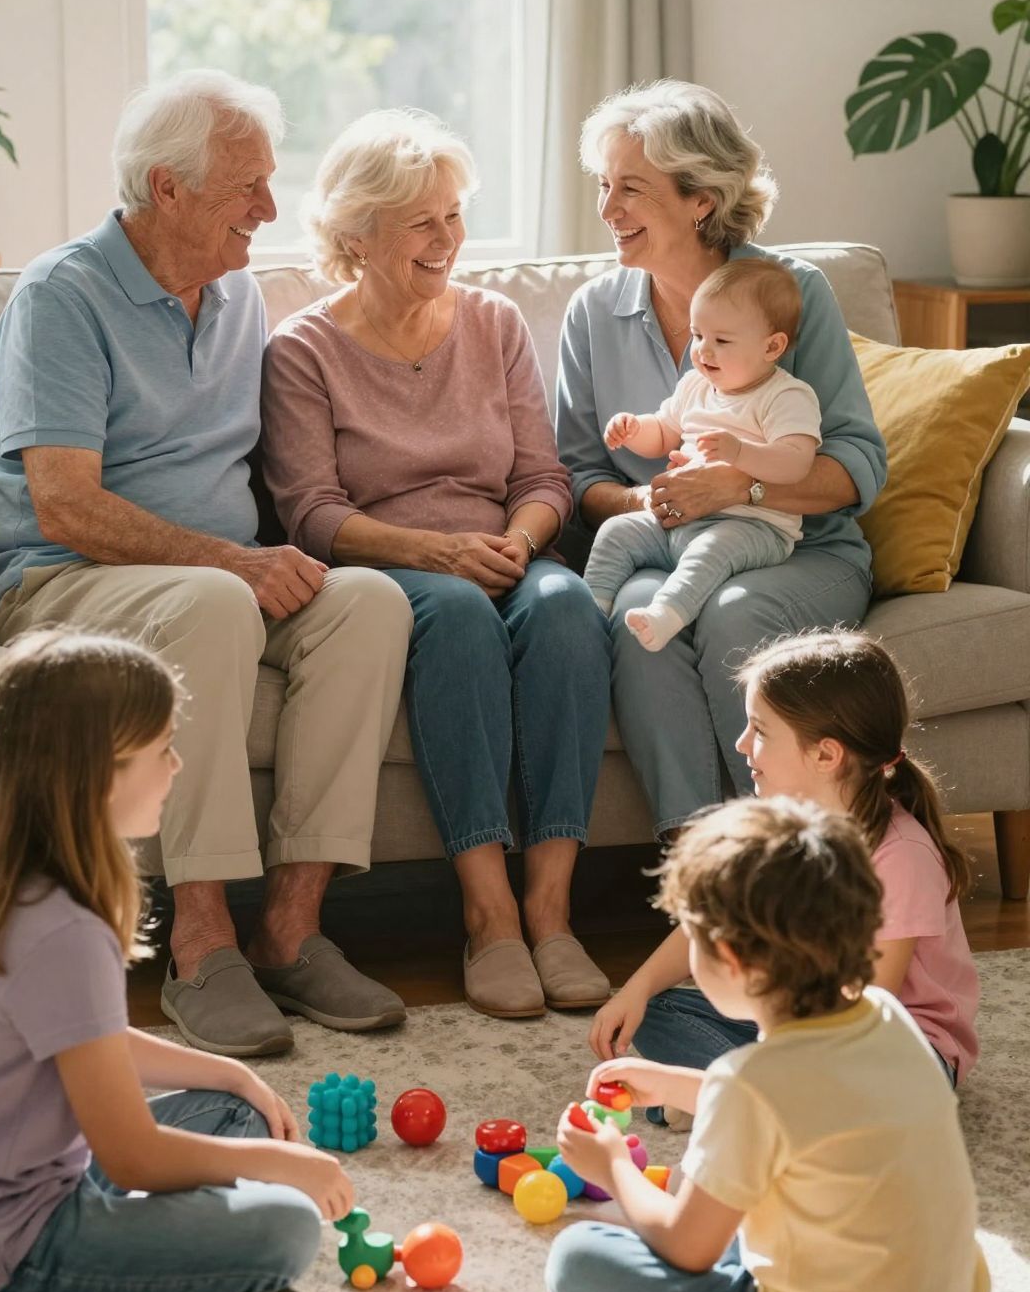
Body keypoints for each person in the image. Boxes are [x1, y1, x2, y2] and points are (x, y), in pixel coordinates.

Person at [0, 69, 414, 1057]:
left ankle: (292, 926)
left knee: (371, 602)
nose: (268, 207)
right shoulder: (64, 294)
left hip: (206, 578)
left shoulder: (238, 300)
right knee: (220, 601)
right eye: (246, 185)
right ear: (166, 187)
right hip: (57, 578)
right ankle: (200, 941)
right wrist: (234, 562)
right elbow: (64, 500)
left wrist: (280, 552)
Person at [0, 630, 352, 1292]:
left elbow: (79, 1038)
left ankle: (164, 1283)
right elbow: (132, 1157)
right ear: (97, 775)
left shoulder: (4, 878)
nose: (176, 765)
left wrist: (234, 1072)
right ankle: (168, 1286)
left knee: (235, 1110)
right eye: (160, 749)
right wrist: (289, 1170)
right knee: (285, 1225)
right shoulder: (60, 929)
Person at [262, 108, 613, 1023]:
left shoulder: (494, 324)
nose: (448, 240)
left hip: (503, 547)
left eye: (454, 215)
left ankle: (551, 907)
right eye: (423, 221)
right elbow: (313, 513)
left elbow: (543, 476)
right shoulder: (302, 349)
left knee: (570, 604)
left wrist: (522, 543)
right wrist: (435, 553)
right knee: (454, 615)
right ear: (356, 234)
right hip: (391, 570)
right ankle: (488, 913)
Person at [546, 797, 990, 1292]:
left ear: (728, 961)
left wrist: (612, 1164)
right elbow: (804, 1111)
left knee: (577, 1260)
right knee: (731, 1190)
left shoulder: (750, 1082)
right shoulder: (889, 1019)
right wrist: (673, 1084)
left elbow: (686, 1247)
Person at [556, 79, 886, 838]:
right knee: (641, 618)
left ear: (700, 198)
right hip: (666, 543)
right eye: (604, 186)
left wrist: (742, 486)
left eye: (631, 190)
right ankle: (699, 863)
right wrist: (655, 502)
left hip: (798, 548)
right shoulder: (594, 314)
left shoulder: (790, 294)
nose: (608, 211)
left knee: (737, 613)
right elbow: (578, 478)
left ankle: (787, 858)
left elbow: (858, 467)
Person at [591, 629, 980, 1098]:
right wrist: (636, 988)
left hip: (894, 1047)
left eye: (760, 731)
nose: (741, 744)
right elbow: (712, 921)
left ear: (825, 754)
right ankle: (755, 1097)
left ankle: (727, 1098)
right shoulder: (782, 826)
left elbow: (867, 1007)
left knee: (853, 1083)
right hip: (801, 1022)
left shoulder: (902, 856)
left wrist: (786, 1049)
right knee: (656, 1011)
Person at [583, 260, 819, 651]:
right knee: (617, 532)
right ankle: (590, 612)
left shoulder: (785, 396)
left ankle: (666, 614)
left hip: (754, 529)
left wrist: (740, 453)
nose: (703, 350)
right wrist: (634, 429)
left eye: (722, 341)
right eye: (697, 335)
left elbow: (797, 461)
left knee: (711, 551)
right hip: (680, 521)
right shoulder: (696, 385)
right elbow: (663, 432)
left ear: (772, 346)